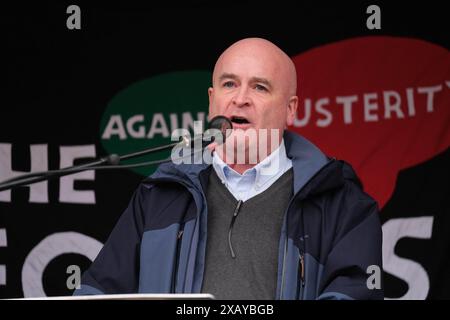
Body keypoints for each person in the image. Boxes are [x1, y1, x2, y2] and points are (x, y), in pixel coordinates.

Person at [74, 38, 383, 300]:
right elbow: (98, 289)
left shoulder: (342, 202)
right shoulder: (160, 194)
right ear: (212, 100)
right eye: (229, 84)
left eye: (260, 87)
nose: (240, 99)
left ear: (290, 109)